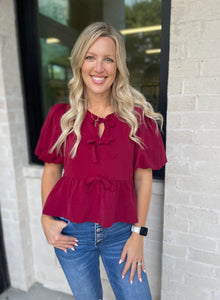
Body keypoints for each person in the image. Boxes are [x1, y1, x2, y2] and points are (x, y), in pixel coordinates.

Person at [35, 22, 167, 300]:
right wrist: (46, 218)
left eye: (108, 59)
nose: (99, 68)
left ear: (118, 66)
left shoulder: (138, 119)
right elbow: (51, 171)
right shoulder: (62, 117)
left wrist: (138, 235)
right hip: (71, 232)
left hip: (121, 233)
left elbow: (143, 178)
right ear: (79, 62)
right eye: (91, 57)